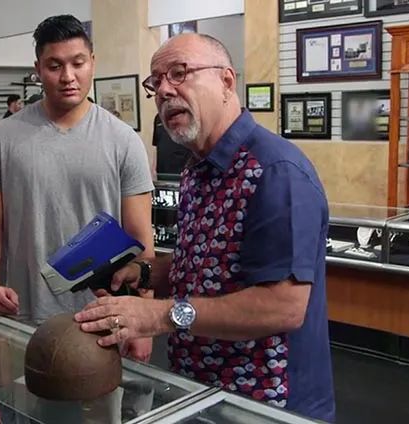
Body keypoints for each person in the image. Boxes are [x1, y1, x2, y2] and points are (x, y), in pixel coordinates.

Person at [75, 33, 336, 422]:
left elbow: (283, 307)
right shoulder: (197, 168)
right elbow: (206, 266)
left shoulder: (275, 173)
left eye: (179, 73)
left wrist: (158, 315)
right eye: (156, 82)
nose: (164, 90)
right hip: (201, 391)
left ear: (226, 81)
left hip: (268, 404)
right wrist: (145, 272)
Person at [0, 14, 155, 361]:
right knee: (22, 395)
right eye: (55, 66)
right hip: (22, 313)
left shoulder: (123, 140)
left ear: (92, 63)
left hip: (102, 316)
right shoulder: (4, 137)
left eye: (77, 63)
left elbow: (139, 239)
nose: (68, 76)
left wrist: (142, 319)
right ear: (38, 69)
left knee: (102, 397)